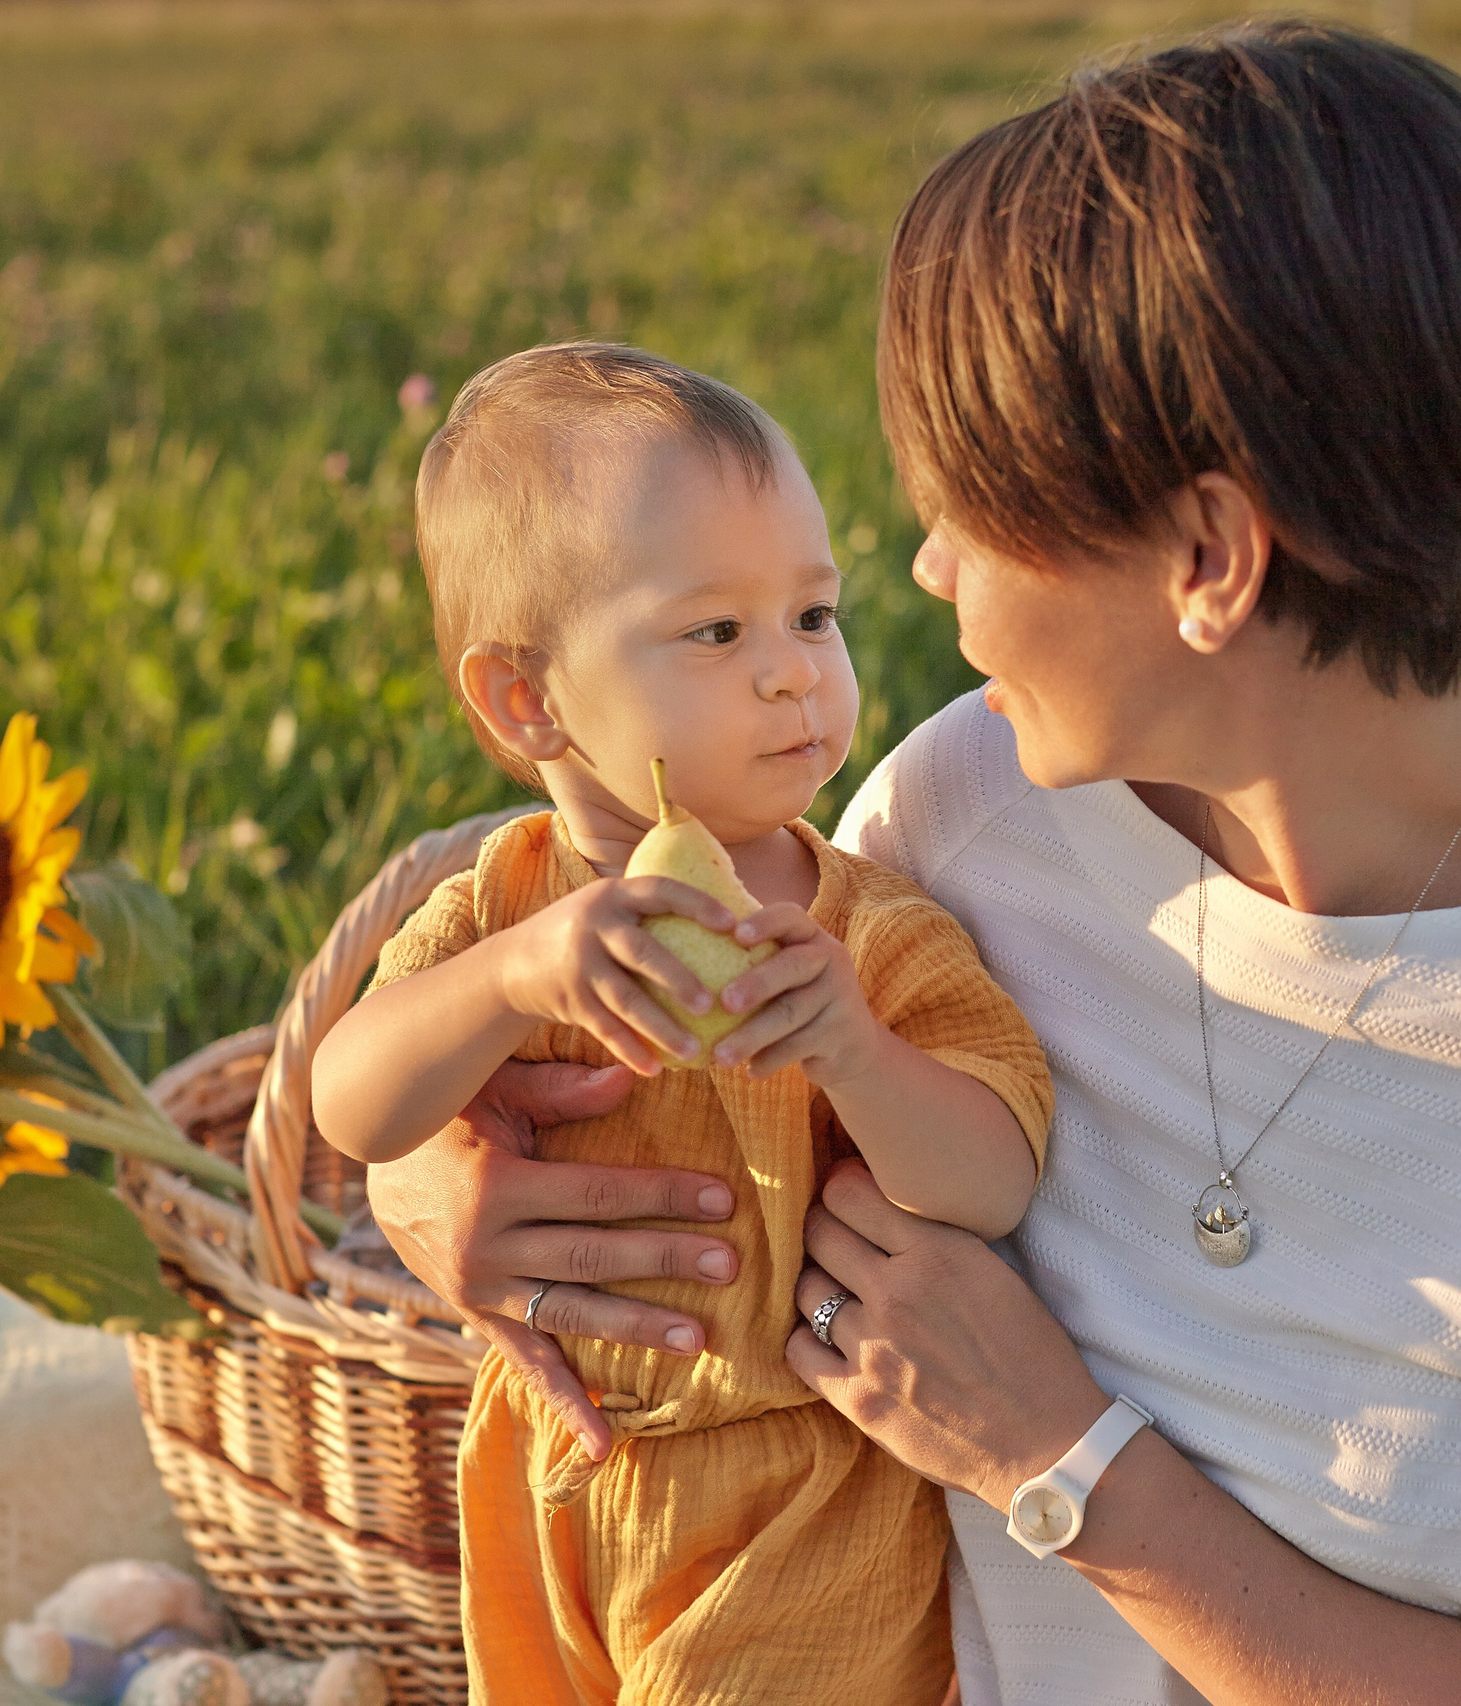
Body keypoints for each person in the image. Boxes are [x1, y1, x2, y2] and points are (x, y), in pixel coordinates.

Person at [365, 24, 1461, 1706]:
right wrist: (439, 1187)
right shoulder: (980, 805)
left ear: (1207, 559)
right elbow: (675, 1083)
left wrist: (1064, 1458)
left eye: (969, 511)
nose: (927, 572)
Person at [310, 343, 1053, 1705]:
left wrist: (857, 1054)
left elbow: (994, 1171)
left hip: (792, 1492)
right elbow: (352, 1105)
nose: (791, 676)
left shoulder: (863, 931)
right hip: (556, 1461)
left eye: (813, 618)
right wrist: (504, 983)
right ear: (525, 698)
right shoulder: (505, 912)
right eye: (717, 632)